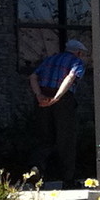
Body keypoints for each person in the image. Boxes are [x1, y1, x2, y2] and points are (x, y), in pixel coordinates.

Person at [29, 39, 88, 186]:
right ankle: (68, 179)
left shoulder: (50, 59)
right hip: (64, 100)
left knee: (44, 137)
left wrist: (39, 96)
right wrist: (57, 97)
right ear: (79, 52)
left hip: (42, 98)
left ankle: (36, 169)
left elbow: (33, 77)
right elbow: (70, 77)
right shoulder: (76, 62)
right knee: (66, 139)